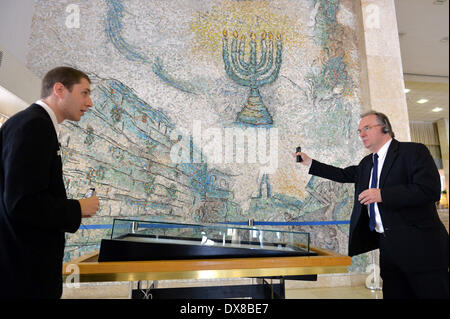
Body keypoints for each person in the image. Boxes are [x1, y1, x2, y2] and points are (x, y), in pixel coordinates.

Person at [295, 111, 449, 299]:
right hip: (388, 249)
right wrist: (310, 163)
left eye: (367, 128)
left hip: (422, 248)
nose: (361, 134)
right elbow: (343, 175)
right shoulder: (367, 163)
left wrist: (383, 195)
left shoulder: (413, 151)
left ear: (385, 128)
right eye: (360, 130)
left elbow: (429, 190)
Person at [0, 66, 99, 299]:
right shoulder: (35, 125)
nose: (90, 102)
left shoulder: (23, 122)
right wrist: (78, 208)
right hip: (25, 275)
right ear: (59, 89)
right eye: (84, 93)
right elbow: (22, 203)